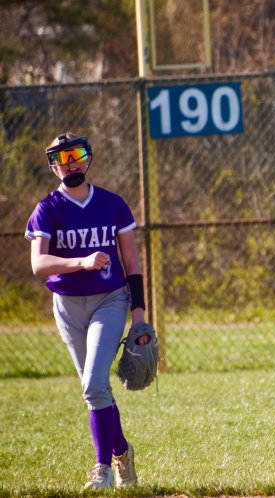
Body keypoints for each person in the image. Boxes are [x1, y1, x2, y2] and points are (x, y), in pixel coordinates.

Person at [25, 133, 150, 490]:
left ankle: (103, 471)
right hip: (67, 306)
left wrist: (138, 314)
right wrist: (81, 261)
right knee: (95, 390)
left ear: (89, 158)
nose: (71, 162)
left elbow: (131, 262)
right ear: (53, 166)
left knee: (94, 384)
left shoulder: (112, 205)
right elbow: (39, 264)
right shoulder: (48, 208)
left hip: (110, 300)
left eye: (77, 154)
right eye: (61, 157)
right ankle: (122, 453)